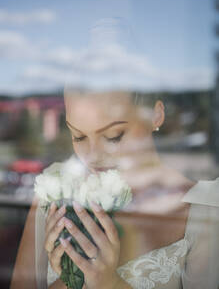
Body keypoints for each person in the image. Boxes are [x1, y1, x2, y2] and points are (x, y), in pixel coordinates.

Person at [10, 88, 219, 289]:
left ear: (156, 115)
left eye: (113, 136)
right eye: (78, 136)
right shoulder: (54, 190)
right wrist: (72, 279)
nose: (92, 156)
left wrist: (109, 284)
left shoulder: (203, 209)